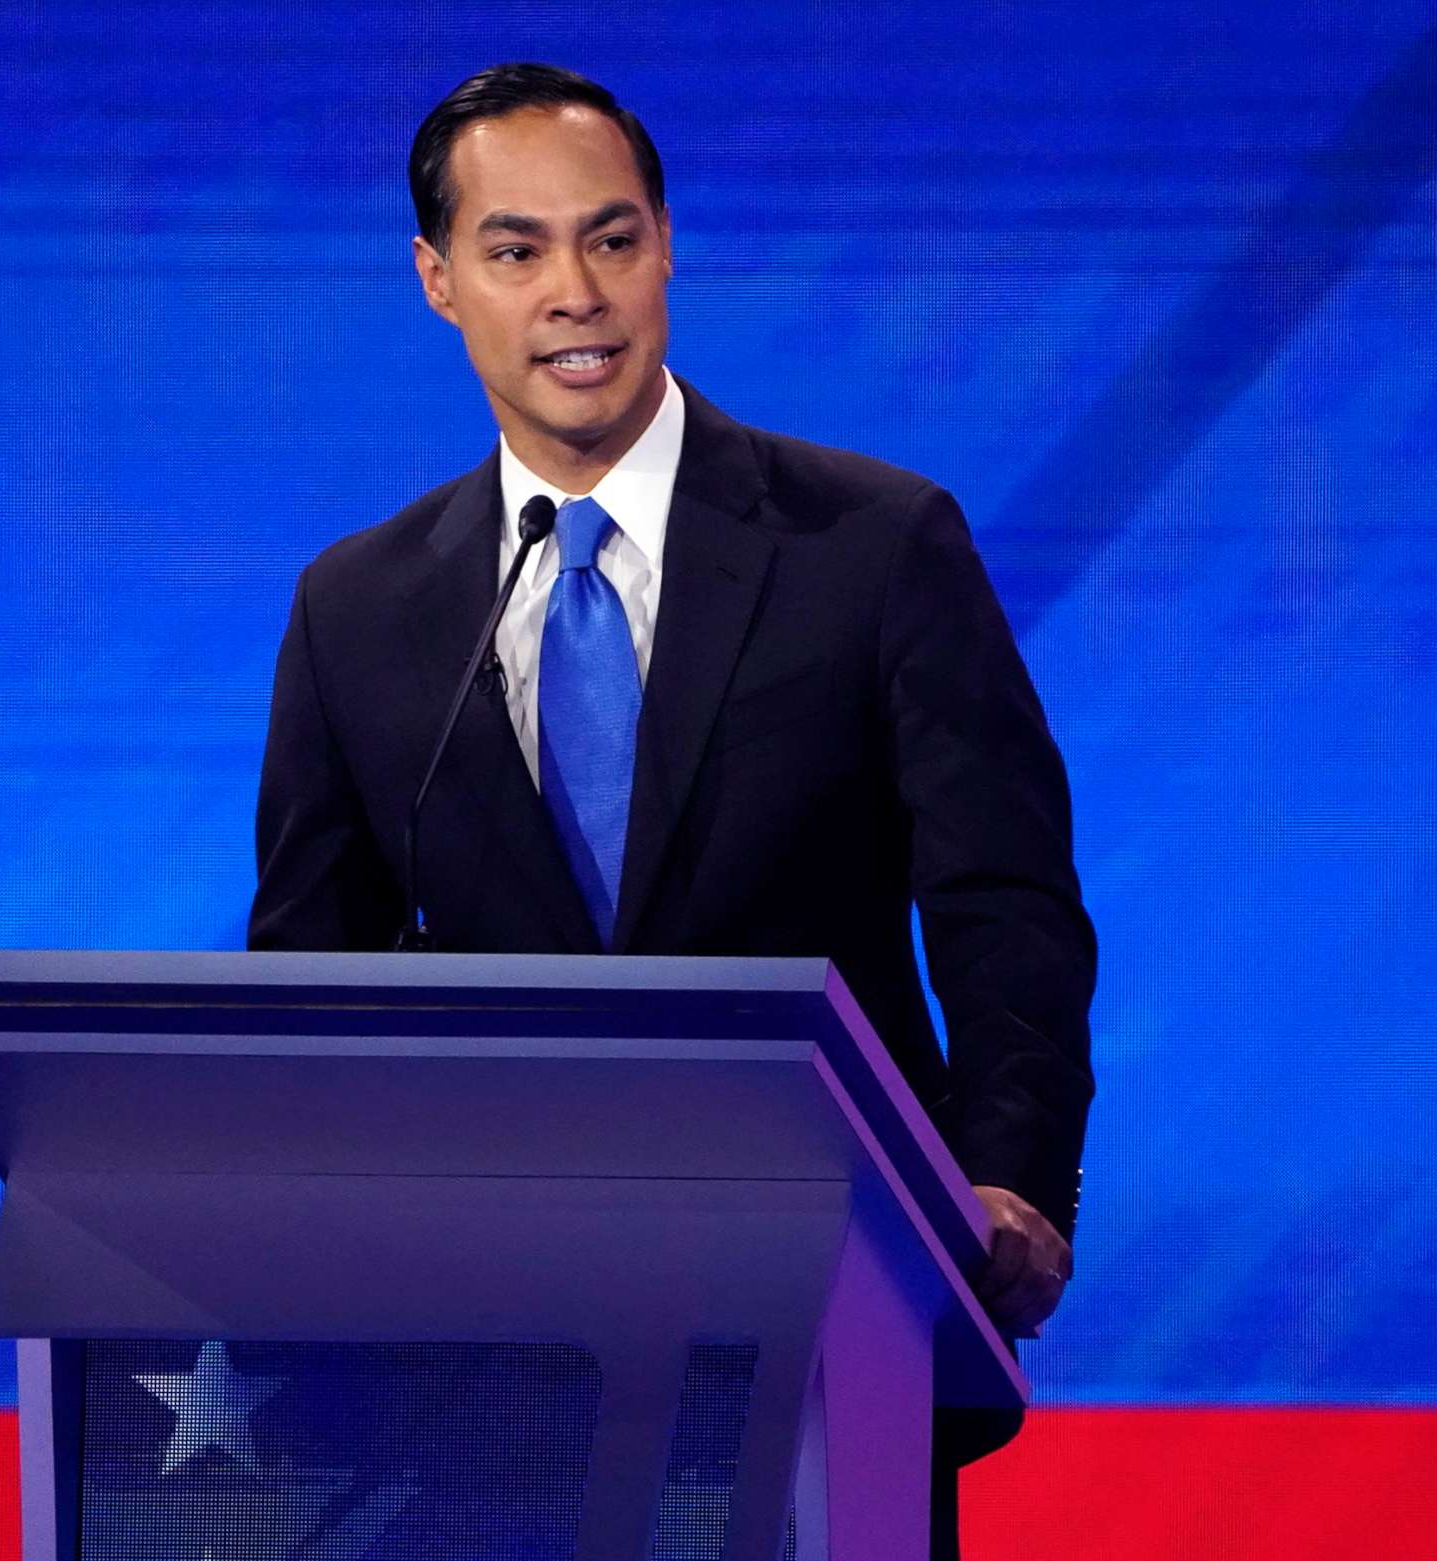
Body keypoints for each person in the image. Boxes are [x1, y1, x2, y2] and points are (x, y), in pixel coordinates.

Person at [247, 61, 1095, 1556]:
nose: (575, 290)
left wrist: (1005, 1173)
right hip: (488, 1346)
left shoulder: (873, 543)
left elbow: (1004, 900)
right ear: (440, 279)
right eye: (516, 250)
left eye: (613, 237)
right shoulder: (356, 608)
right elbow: (312, 965)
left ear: (667, 248)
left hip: (836, 1303)